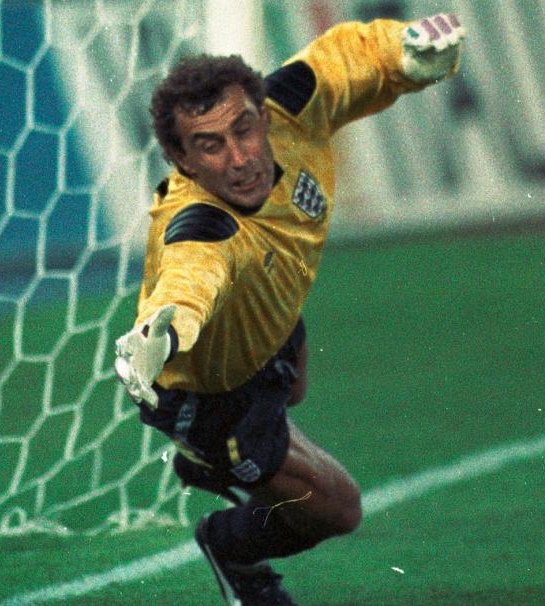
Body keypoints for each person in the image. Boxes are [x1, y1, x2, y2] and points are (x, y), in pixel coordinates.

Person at [114, 13, 465, 606]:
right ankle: (231, 547)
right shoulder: (201, 225)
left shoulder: (291, 109)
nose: (239, 157)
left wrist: (406, 55)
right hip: (209, 390)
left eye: (244, 130)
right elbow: (188, 284)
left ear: (264, 113)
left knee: (295, 386)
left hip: (267, 324)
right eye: (209, 146)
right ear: (182, 160)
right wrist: (160, 334)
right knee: (337, 509)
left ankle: (220, 472)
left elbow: (346, 59)